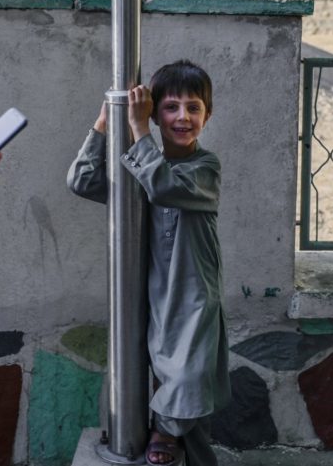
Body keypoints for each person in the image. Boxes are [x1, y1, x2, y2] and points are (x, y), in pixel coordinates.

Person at [68, 60, 230, 466]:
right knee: (159, 377)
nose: (182, 117)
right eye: (171, 107)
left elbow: (164, 185)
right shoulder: (138, 168)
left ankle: (165, 429)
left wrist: (138, 131)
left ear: (207, 116)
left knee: (189, 374)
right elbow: (82, 181)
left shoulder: (205, 168)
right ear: (156, 113)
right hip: (150, 293)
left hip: (192, 293)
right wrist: (105, 123)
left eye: (193, 108)